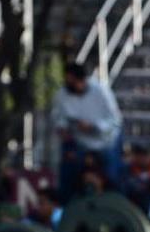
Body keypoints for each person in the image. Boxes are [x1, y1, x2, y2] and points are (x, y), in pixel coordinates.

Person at [52, 62, 123, 195]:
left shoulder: (101, 91)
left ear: (82, 80)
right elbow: (58, 118)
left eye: (73, 82)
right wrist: (63, 128)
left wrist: (94, 126)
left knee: (112, 176)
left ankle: (113, 201)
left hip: (105, 141)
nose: (70, 85)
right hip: (79, 142)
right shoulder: (62, 94)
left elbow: (115, 120)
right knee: (68, 174)